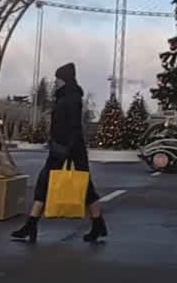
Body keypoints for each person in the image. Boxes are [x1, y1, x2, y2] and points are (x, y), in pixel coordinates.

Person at [11, 62, 107, 244]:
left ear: (64, 79)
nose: (55, 82)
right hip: (63, 148)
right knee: (69, 185)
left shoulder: (71, 98)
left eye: (57, 79)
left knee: (78, 186)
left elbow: (73, 126)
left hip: (67, 150)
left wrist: (66, 148)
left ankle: (31, 225)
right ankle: (97, 224)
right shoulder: (66, 96)